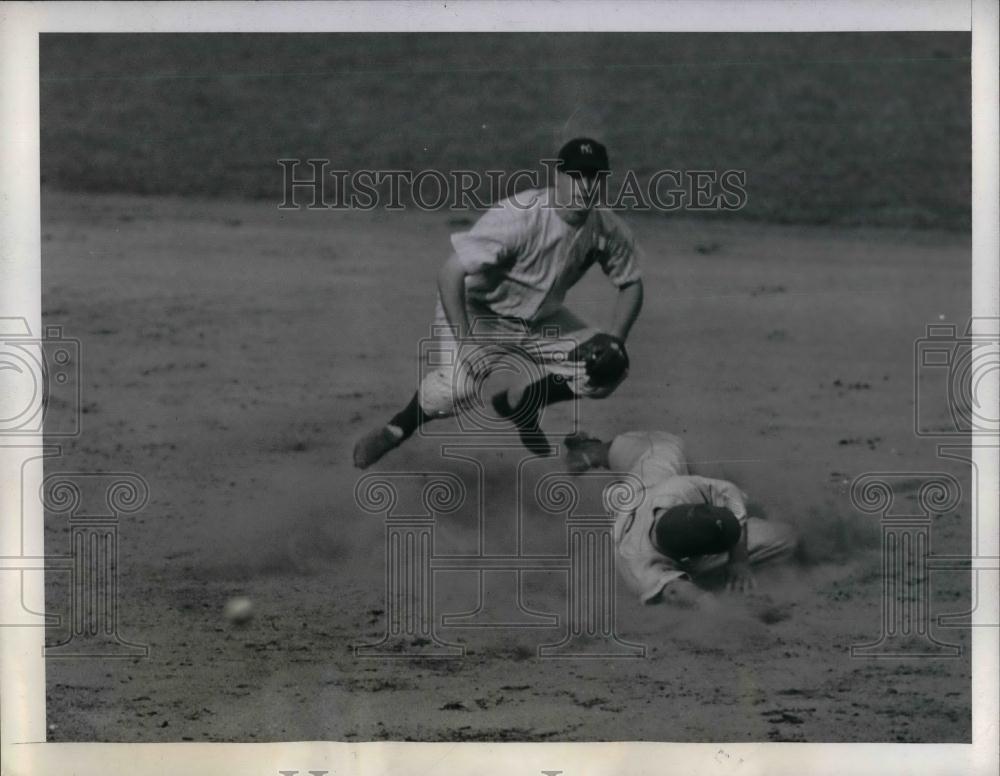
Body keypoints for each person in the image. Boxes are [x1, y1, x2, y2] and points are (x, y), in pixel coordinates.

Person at [353, 138, 645, 468]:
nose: (585, 186)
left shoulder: (606, 227)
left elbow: (632, 283)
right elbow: (450, 273)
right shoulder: (519, 217)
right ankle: (396, 429)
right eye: (576, 175)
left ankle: (521, 402)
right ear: (557, 176)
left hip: (541, 321)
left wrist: (615, 340)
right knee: (458, 390)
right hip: (481, 313)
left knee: (609, 368)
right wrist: (466, 342)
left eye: (594, 176)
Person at [564, 430, 798, 608]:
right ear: (707, 552)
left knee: (664, 444)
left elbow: (729, 493)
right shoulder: (636, 559)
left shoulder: (675, 489)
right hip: (636, 524)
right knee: (785, 538)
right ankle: (590, 451)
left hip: (648, 487)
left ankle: (595, 451)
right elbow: (675, 591)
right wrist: (718, 608)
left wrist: (739, 560)